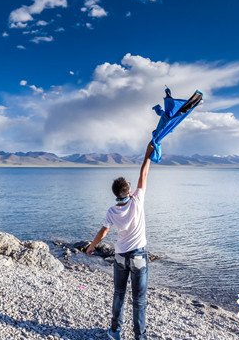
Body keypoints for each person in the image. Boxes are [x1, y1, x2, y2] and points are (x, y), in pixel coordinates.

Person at [86, 141, 154, 340]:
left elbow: (103, 232)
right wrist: (147, 154)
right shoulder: (137, 201)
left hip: (120, 257)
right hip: (139, 256)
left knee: (119, 294)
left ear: (116, 194)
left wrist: (92, 246)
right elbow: (144, 175)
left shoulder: (112, 211)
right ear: (128, 190)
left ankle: (115, 332)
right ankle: (139, 337)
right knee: (139, 300)